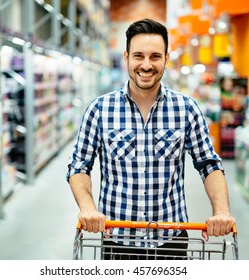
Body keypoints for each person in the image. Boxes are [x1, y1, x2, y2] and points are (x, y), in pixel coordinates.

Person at [67, 18, 235, 259]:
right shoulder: (99, 109)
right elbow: (79, 166)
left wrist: (222, 211)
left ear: (166, 59)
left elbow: (209, 164)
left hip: (171, 241)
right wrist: (87, 208)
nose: (146, 65)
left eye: (155, 56)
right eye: (139, 56)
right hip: (118, 243)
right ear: (126, 57)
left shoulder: (186, 109)